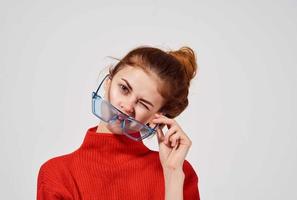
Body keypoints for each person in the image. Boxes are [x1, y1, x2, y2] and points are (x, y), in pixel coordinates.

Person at [37, 45, 201, 200]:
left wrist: (172, 176)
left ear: (156, 116)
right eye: (124, 88)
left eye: (143, 104)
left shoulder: (178, 172)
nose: (127, 106)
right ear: (108, 83)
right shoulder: (57, 174)